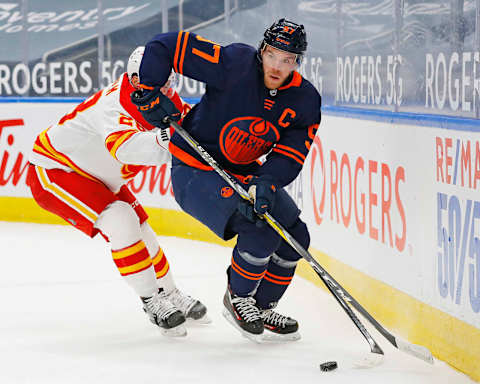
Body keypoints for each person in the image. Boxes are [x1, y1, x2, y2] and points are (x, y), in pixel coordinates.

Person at [131, 19, 321, 342]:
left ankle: (261, 307)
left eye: (287, 60)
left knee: (296, 236)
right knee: (259, 230)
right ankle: (238, 298)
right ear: (262, 50)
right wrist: (148, 90)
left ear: (297, 62)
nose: (277, 66)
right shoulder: (234, 64)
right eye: (273, 55)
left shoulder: (305, 100)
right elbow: (167, 46)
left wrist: (267, 181)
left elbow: (291, 153)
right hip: (194, 170)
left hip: (243, 172)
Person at [26, 46, 207, 337]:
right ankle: (152, 301)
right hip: (56, 170)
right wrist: (168, 142)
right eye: (157, 82)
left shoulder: (166, 99)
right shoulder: (114, 105)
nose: (164, 90)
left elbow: (196, 128)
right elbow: (125, 148)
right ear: (135, 81)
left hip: (101, 178)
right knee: (123, 221)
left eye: (168, 83)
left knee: (143, 230)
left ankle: (170, 293)